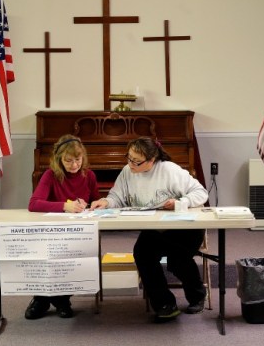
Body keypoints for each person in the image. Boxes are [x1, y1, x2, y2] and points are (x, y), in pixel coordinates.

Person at [90, 137, 209, 323]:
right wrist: (105, 202)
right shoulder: (127, 172)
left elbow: (201, 193)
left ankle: (197, 296)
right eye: (129, 158)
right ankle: (165, 304)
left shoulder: (169, 170)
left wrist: (180, 202)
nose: (131, 164)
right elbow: (117, 197)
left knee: (177, 259)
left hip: (184, 228)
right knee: (142, 253)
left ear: (152, 160)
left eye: (136, 161)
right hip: (155, 228)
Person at [26, 135, 100, 320]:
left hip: (78, 232)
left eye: (78, 159)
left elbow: (96, 202)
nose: (74, 165)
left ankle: (52, 299)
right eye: (68, 161)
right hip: (53, 231)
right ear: (59, 159)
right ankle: (54, 300)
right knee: (52, 254)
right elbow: (34, 204)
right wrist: (65, 206)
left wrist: (91, 204)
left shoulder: (89, 175)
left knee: (76, 255)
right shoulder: (50, 175)